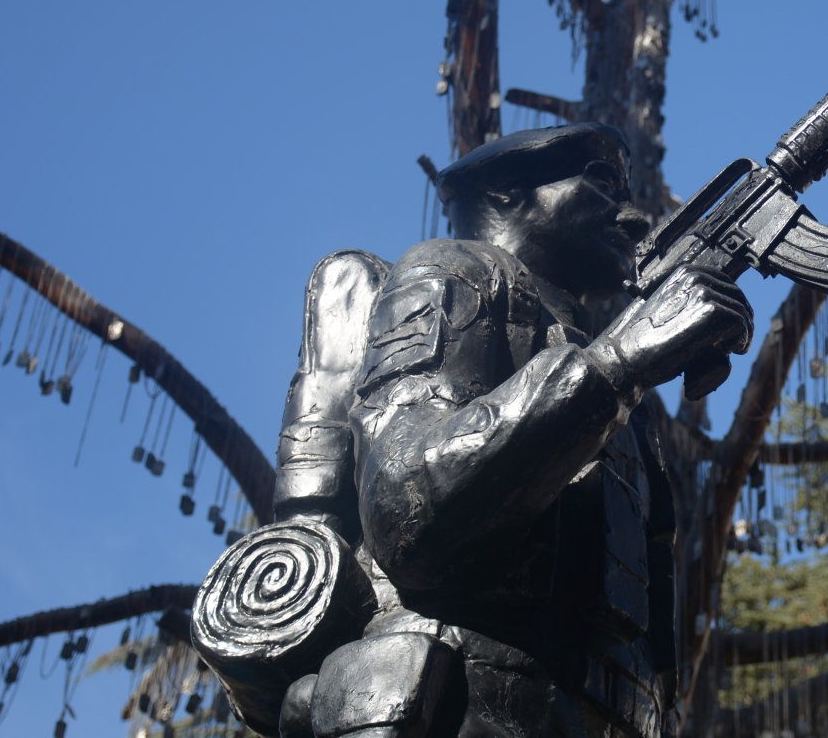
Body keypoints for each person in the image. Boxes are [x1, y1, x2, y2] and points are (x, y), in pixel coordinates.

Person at [266, 123, 753, 737]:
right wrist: (618, 365)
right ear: (506, 194)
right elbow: (403, 507)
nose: (632, 217)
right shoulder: (455, 274)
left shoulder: (622, 390)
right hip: (464, 695)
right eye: (601, 183)